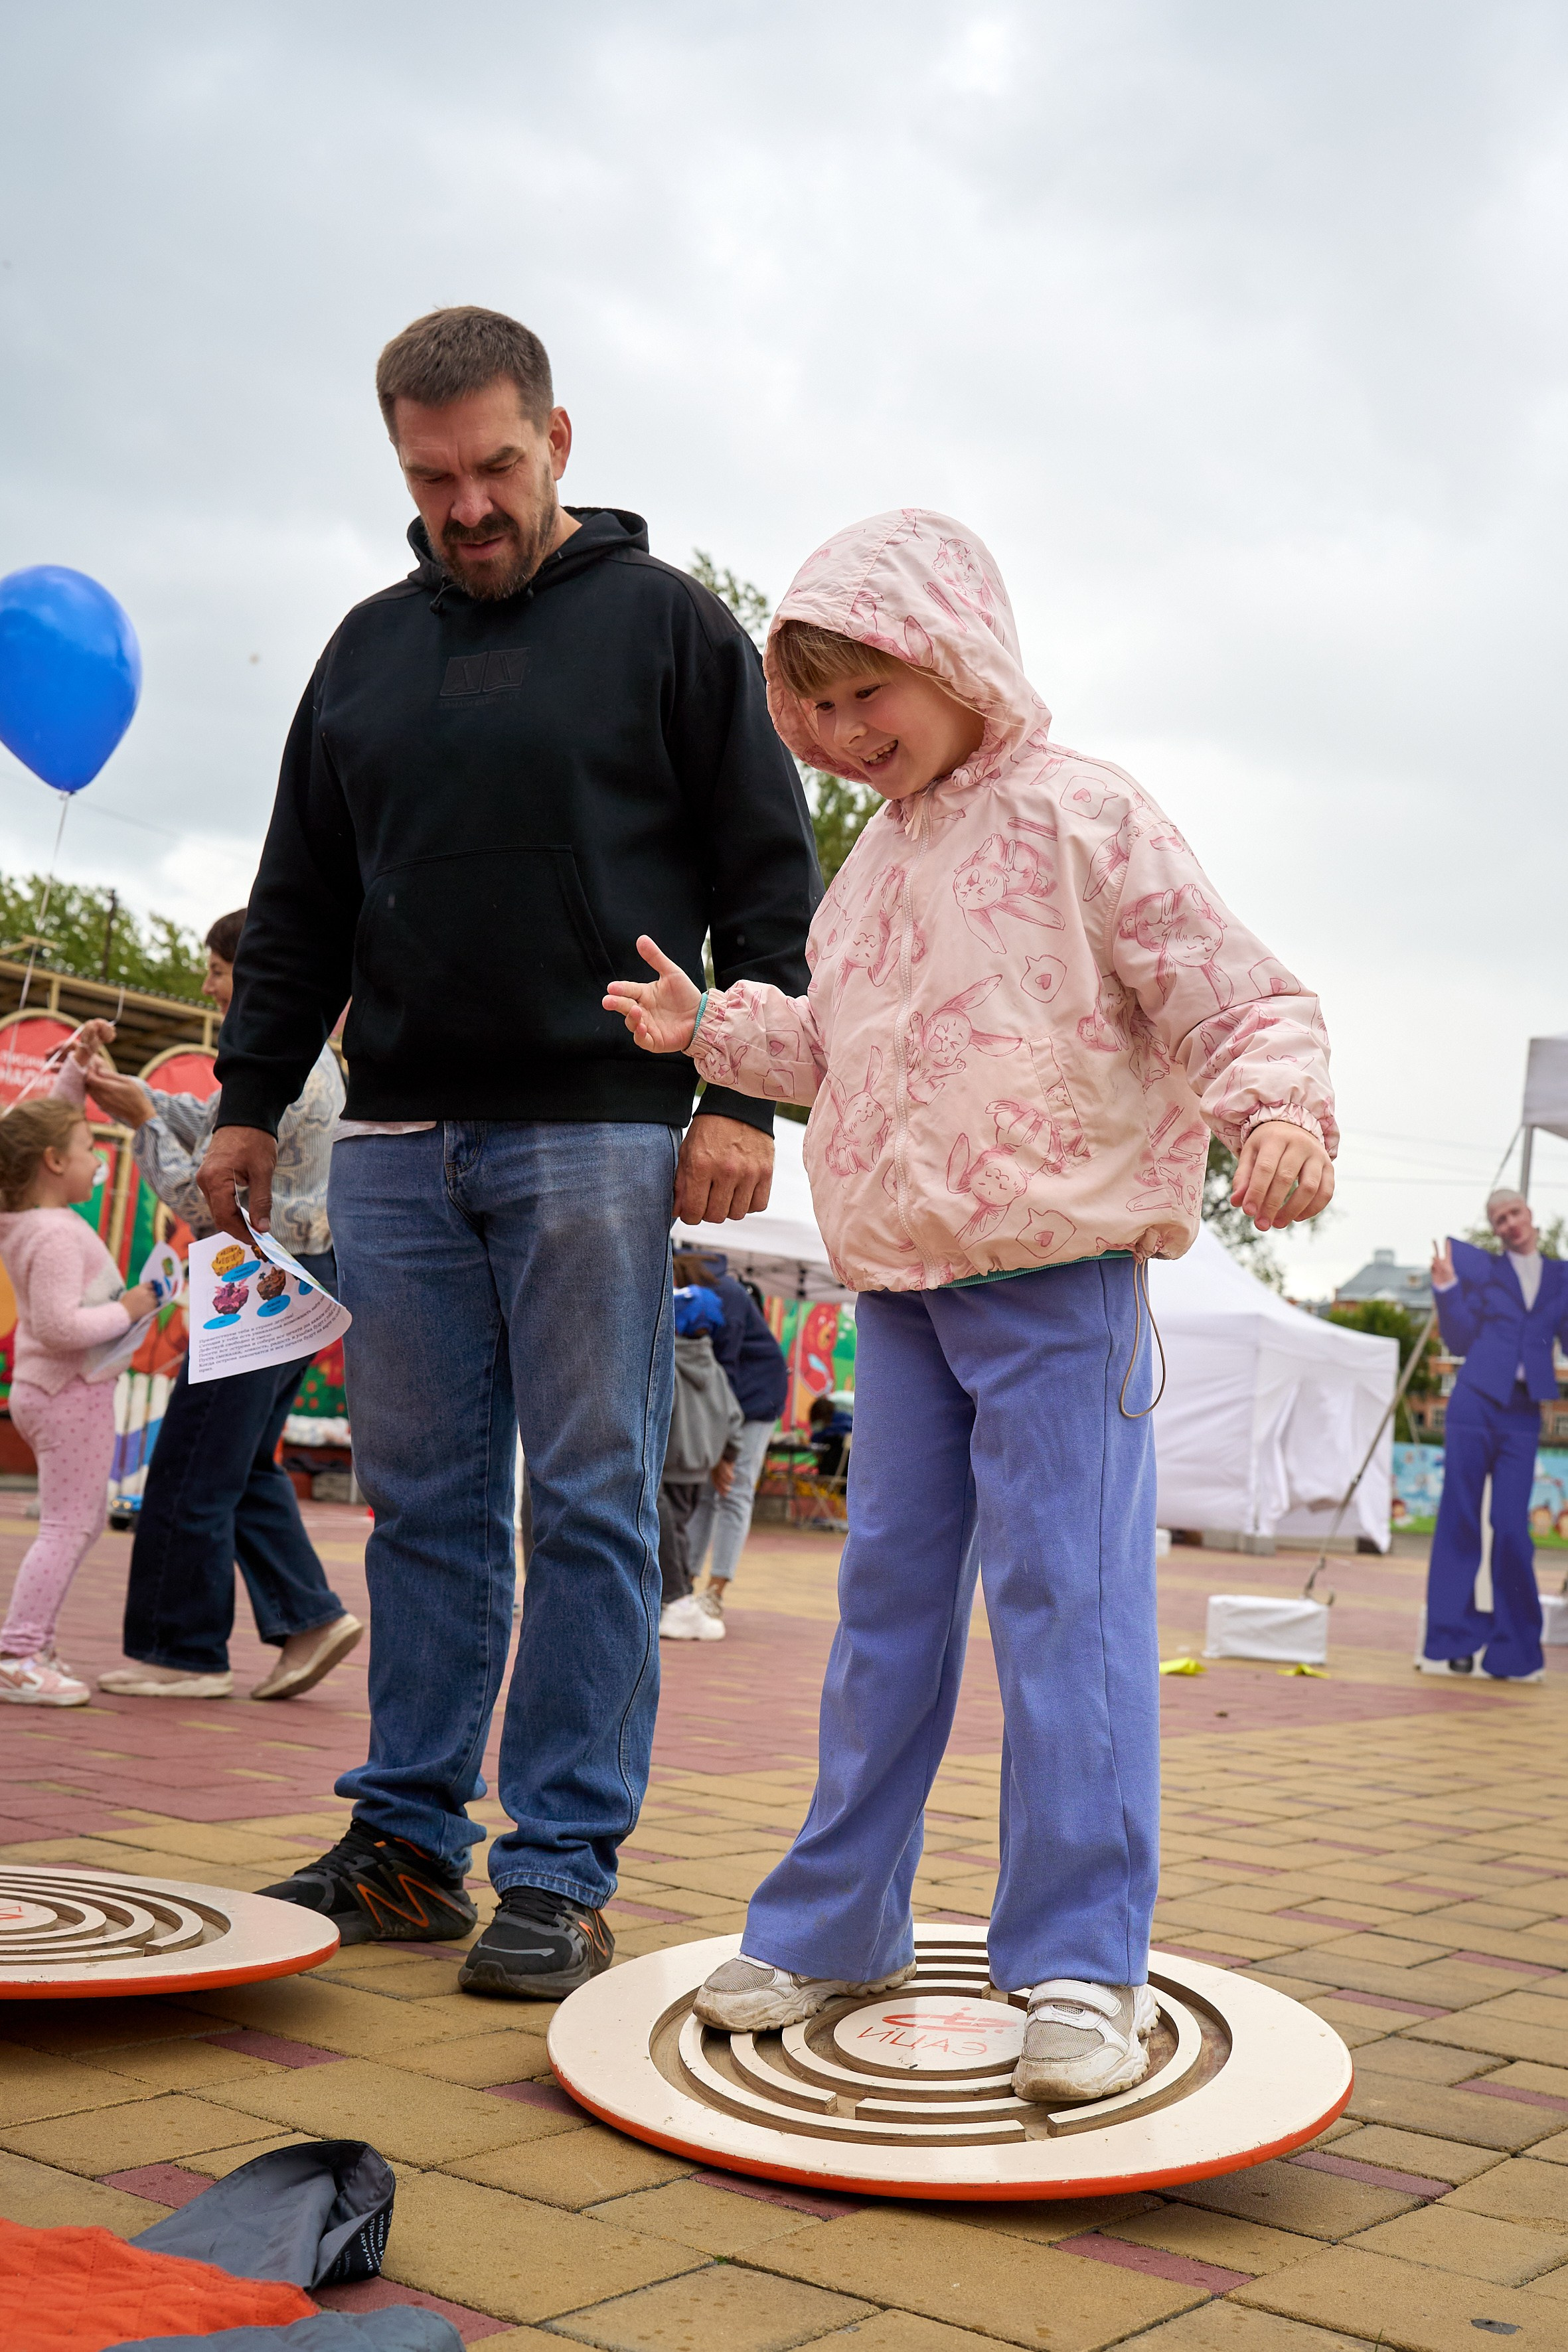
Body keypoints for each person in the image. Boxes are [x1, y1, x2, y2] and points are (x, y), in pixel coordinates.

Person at [606, 507, 1336, 2102]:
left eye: (873, 693)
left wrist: (1276, 1108)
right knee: (881, 1615)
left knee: (1066, 1613)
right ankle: (833, 1918)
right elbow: (841, 1056)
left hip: (1059, 1279)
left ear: (957, 658)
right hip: (907, 1292)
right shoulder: (863, 878)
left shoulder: (1085, 815)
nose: (846, 735)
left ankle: (1078, 1959)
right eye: (816, 710)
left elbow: (1232, 987)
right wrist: (713, 1028)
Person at [196, 307, 819, 1989]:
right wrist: (253, 1101)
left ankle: (559, 1864)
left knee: (600, 1503)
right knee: (423, 1510)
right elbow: (303, 902)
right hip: (394, 1142)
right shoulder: (362, 650)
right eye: (428, 475)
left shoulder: (673, 629)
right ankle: (405, 1844)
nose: (463, 504)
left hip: (601, 1136)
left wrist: (744, 1099)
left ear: (559, 437)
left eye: (493, 466)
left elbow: (771, 874)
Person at [82, 913, 362, 1703]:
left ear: (261, 971)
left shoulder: (289, 1070)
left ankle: (183, 1651)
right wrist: (140, 1097)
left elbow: (211, 1200)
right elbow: (209, 1128)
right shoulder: (301, 1060)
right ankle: (308, 1617)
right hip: (303, 1274)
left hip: (268, 1277)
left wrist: (138, 1120)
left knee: (195, 1460)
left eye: (217, 969)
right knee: (242, 1462)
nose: (207, 986)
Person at [0, 1043, 161, 1705]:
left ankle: (34, 1643)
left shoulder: (25, 1218)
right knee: (69, 1525)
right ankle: (18, 1652)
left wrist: (76, 1065)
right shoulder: (58, 1235)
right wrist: (131, 1308)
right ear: (54, 1164)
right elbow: (62, 1325)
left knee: (82, 1519)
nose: (100, 1159)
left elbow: (47, 1124)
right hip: (72, 1392)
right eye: (90, 1148)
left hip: (51, 1393)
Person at [1423, 1192, 1568, 1683]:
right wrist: (1447, 1290)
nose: (1509, 1224)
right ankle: (1454, 1638)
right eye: (1498, 1220)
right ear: (1496, 1229)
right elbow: (1459, 1340)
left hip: (1524, 1413)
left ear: (1531, 1216)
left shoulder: (1561, 1277)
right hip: (1474, 1403)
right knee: (1460, 1517)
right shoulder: (1485, 1273)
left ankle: (1515, 1650)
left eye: (1514, 1214)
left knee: (1511, 1528)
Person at [672, 1250, 787, 1620]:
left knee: (732, 1489)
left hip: (756, 1399)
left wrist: (727, 1452)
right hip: (724, 1399)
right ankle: (685, 1584)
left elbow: (726, 1375)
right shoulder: (688, 1294)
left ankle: (715, 1592)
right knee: (704, 1491)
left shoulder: (729, 1297)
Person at [659, 1280, 743, 1642]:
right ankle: (677, 1598)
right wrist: (727, 1455)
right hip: (698, 1470)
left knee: (668, 1532)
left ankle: (672, 1601)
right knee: (681, 1531)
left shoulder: (666, 1365)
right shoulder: (715, 1370)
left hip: (668, 1464)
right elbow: (734, 1419)